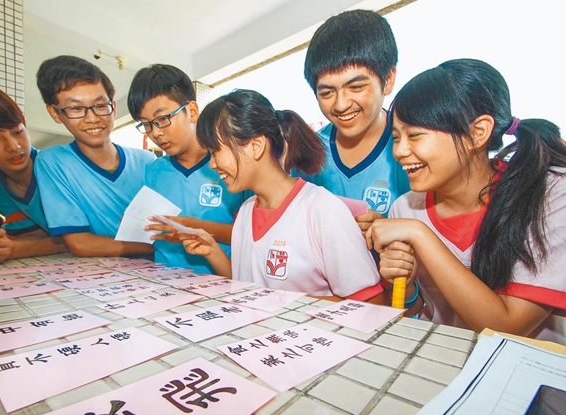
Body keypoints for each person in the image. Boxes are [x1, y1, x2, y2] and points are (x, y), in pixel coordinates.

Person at [366, 59, 566, 343]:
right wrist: (406, 286)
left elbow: (506, 329)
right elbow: (418, 311)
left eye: (415, 135)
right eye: (396, 138)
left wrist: (419, 235)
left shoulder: (547, 195)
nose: (400, 151)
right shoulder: (406, 208)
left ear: (477, 132)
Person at [180, 89, 382, 302]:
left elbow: (372, 303)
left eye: (215, 152)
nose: (212, 164)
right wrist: (212, 251)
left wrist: (282, 303)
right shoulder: (246, 212)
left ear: (256, 146)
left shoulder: (320, 209)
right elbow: (249, 289)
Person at [297, 9, 409, 235]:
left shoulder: (413, 150)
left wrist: (394, 230)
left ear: (388, 79)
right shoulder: (308, 152)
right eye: (327, 93)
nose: (341, 105)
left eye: (356, 87)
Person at [128, 65, 249, 273]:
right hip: (162, 281)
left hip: (222, 281)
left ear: (192, 111)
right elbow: (149, 235)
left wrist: (191, 227)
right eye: (146, 124)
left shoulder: (231, 165)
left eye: (162, 119)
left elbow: (256, 235)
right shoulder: (153, 171)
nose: (155, 133)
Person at [35, 55, 156, 257]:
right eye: (76, 108)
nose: (92, 118)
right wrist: (156, 248)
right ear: (55, 113)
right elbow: (80, 243)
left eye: (100, 106)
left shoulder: (148, 162)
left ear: (114, 107)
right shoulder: (53, 162)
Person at [0, 79, 67, 266]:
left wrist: (14, 250)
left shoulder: (59, 166)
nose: (13, 147)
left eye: (17, 131)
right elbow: (31, 234)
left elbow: (85, 237)